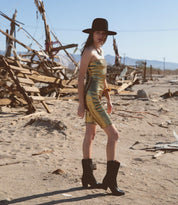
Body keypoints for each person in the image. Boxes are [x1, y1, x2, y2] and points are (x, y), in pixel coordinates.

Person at [77, 18, 125, 196]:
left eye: (104, 34)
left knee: (90, 135)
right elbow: (81, 78)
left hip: (98, 96)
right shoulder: (88, 51)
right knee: (114, 135)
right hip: (90, 98)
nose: (101, 36)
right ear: (92, 34)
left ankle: (87, 177)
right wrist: (81, 104)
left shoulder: (101, 51)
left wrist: (109, 99)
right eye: (98, 33)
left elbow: (103, 78)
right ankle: (110, 181)